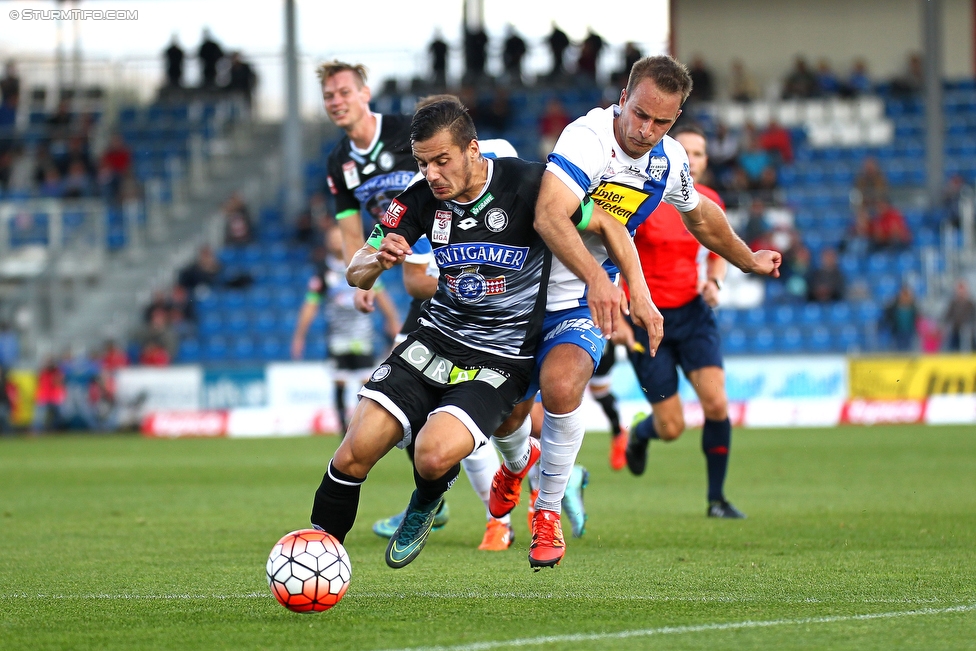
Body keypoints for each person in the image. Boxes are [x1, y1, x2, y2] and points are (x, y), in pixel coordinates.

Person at [308, 95, 647, 569]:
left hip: (501, 356)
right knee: (352, 454)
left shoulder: (530, 184)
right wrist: (376, 258)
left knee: (431, 456)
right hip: (433, 338)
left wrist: (629, 290)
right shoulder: (418, 197)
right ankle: (317, 552)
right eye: (423, 162)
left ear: (472, 149)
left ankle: (425, 502)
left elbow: (609, 223)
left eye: (441, 161)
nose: (432, 173)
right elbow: (356, 271)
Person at [488, 55, 782, 568]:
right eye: (640, 114)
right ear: (623, 98)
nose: (647, 130)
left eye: (662, 121)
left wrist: (747, 258)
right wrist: (600, 278)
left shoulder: (668, 161)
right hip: (521, 290)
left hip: (579, 300)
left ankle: (547, 511)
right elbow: (549, 216)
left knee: (562, 387)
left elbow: (704, 219)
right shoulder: (587, 138)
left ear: (676, 118)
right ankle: (517, 467)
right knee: (508, 416)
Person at [317, 60, 517, 551]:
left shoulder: (413, 136)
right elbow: (353, 233)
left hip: (464, 284)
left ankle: (508, 512)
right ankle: (431, 502)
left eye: (344, 91)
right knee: (377, 427)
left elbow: (483, 178)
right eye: (328, 95)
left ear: (365, 93)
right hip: (414, 280)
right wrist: (363, 271)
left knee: (459, 424)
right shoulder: (341, 163)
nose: (336, 101)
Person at [607, 123, 743, 518]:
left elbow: (719, 248)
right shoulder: (642, 199)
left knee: (717, 403)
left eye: (700, 154)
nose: (694, 160)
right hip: (647, 320)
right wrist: (618, 310)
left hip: (693, 314)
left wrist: (715, 282)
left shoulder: (709, 200)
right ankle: (640, 433)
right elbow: (614, 250)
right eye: (686, 152)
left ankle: (716, 500)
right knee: (672, 428)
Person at [291, 225, 400, 434]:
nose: (334, 241)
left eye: (337, 237)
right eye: (330, 238)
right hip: (337, 337)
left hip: (363, 335)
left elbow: (381, 295)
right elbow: (310, 305)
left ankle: (365, 428)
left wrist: (392, 320)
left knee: (366, 382)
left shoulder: (361, 265)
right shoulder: (323, 272)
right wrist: (299, 336)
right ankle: (344, 430)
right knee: (339, 381)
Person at [881, 283, 919, 351]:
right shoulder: (893, 307)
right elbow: (887, 318)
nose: (905, 297)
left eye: (907, 294)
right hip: (897, 334)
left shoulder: (914, 308)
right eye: (903, 294)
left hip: (910, 333)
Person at [943, 279, 976, 352]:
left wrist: (970, 325)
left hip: (967, 331)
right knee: (952, 347)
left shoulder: (970, 303)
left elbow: (973, 317)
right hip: (955, 330)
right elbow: (947, 315)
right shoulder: (953, 303)